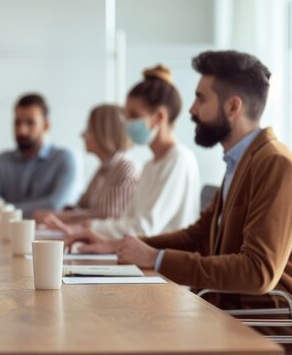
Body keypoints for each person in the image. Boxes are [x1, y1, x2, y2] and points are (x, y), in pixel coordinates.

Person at [66, 50, 292, 333]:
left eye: (201, 98)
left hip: (255, 323)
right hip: (219, 308)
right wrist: (121, 245)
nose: (192, 110)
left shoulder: (274, 163)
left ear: (233, 107)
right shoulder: (241, 160)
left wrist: (156, 258)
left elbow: (258, 271)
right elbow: (197, 235)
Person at [45, 66, 199, 238]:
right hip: (141, 252)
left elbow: (146, 228)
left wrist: (87, 228)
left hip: (163, 261)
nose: (126, 123)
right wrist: (83, 230)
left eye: (133, 115)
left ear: (159, 117)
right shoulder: (150, 165)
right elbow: (128, 221)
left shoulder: (179, 159)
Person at [0, 93, 77, 220]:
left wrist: (4, 210)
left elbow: (56, 205)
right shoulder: (0, 161)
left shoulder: (65, 159)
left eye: (30, 123)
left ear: (46, 126)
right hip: (4, 236)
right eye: (18, 123)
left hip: (49, 238)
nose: (22, 130)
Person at [34, 104, 137, 224]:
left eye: (89, 129)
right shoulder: (103, 169)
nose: (82, 135)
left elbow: (107, 219)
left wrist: (57, 217)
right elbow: (83, 206)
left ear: (103, 132)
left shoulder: (125, 168)